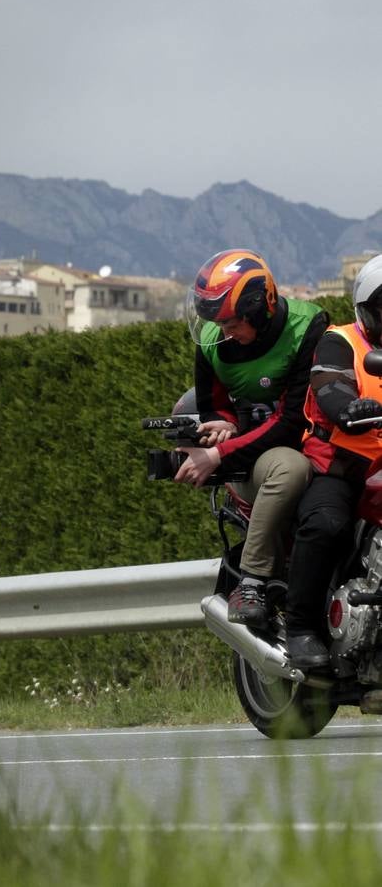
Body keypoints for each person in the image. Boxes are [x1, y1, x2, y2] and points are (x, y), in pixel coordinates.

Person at [175, 249, 327, 630]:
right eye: (220, 323)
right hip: (258, 460)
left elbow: (293, 420)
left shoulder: (309, 328)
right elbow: (212, 405)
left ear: (261, 308)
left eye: (233, 323)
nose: (226, 332)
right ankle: (252, 581)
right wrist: (222, 427)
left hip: (307, 443)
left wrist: (219, 452)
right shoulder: (212, 341)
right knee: (289, 469)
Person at [283, 253, 382, 668]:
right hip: (344, 466)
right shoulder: (341, 341)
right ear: (368, 310)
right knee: (326, 523)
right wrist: (348, 406)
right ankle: (301, 626)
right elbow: (329, 384)